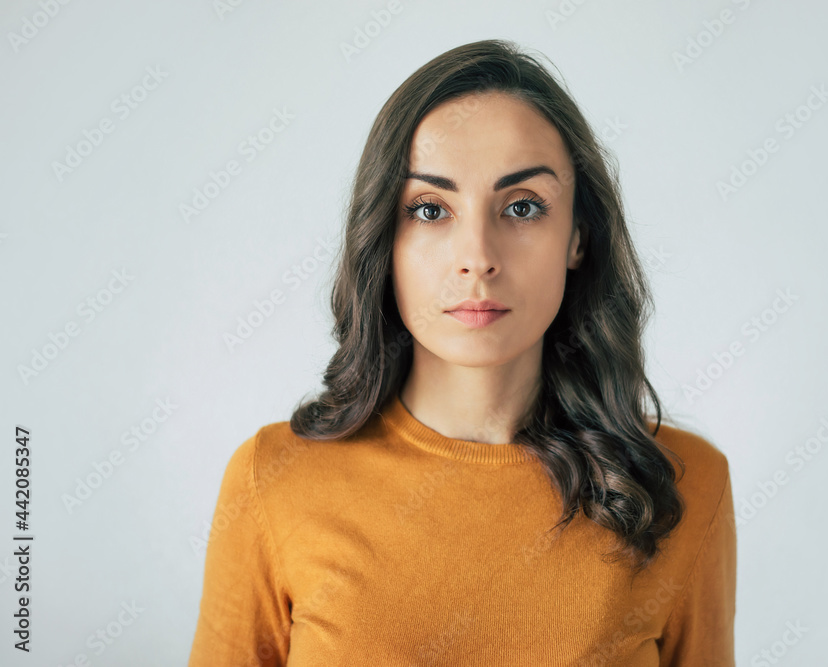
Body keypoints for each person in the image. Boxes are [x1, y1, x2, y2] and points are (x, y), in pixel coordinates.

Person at [189, 38, 736, 666]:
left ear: (578, 238)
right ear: (382, 239)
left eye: (522, 207)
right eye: (430, 210)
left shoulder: (685, 486)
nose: (477, 256)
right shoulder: (272, 479)